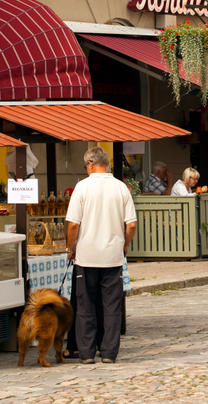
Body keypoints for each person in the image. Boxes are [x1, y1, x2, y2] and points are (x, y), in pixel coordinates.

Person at [66, 147, 137, 364]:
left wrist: (70, 249)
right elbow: (131, 224)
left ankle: (86, 353)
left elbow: (72, 225)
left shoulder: (82, 187)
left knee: (85, 307)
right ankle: (109, 352)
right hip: (112, 256)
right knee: (112, 307)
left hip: (86, 256)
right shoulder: (121, 188)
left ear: (89, 163)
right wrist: (125, 246)